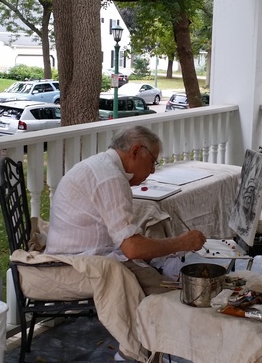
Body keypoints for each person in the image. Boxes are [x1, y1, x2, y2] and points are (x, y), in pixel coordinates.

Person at [45, 125, 207, 294]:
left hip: (76, 255)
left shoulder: (103, 165)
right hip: (76, 265)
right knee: (174, 294)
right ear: (135, 151)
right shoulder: (110, 177)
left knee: (160, 261)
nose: (152, 170)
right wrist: (182, 242)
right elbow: (133, 249)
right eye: (152, 161)